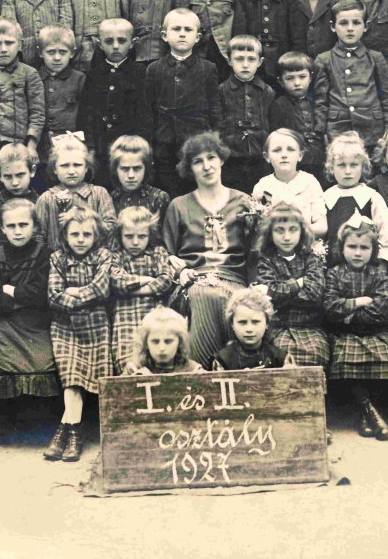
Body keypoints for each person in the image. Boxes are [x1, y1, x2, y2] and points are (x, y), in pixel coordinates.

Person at [162, 131, 256, 369]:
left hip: (234, 279)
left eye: (211, 158)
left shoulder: (244, 202)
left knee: (238, 302)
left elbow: (256, 251)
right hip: (194, 282)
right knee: (204, 294)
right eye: (197, 161)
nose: (206, 166)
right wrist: (179, 273)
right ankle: (201, 372)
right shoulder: (179, 206)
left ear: (221, 159)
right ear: (190, 168)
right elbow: (166, 252)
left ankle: (233, 372)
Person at [0, 198, 59, 446]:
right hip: (6, 323)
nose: (17, 231)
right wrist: (23, 296)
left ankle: (40, 426)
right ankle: (3, 425)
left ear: (35, 226)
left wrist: (11, 291)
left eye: (23, 224)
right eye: (11, 225)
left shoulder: (46, 255)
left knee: (43, 361)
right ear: (2, 228)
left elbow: (42, 295)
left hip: (37, 324)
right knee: (2, 360)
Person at [45, 206, 113, 462]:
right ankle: (75, 434)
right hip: (65, 327)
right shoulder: (57, 258)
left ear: (96, 236)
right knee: (71, 378)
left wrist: (72, 292)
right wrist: (84, 294)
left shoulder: (104, 256)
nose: (81, 240)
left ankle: (66, 430)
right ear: (65, 236)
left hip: (96, 326)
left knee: (95, 379)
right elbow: (53, 296)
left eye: (87, 234)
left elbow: (102, 290)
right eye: (75, 234)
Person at [323, 215, 388, 440]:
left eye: (364, 247)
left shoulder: (379, 275)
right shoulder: (333, 274)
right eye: (352, 246)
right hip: (344, 333)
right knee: (344, 355)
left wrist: (347, 314)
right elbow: (331, 308)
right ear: (342, 247)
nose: (357, 252)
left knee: (382, 355)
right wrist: (360, 301)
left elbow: (379, 312)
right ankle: (369, 412)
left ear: (373, 250)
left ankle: (365, 412)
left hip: (375, 332)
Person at [145, 9, 222, 196]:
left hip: (196, 143)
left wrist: (215, 141)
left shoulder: (208, 68)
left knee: (196, 189)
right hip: (163, 144)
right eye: (176, 29)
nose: (182, 34)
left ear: (197, 37)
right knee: (166, 189)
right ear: (164, 35)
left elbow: (215, 109)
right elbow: (148, 110)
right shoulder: (154, 69)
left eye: (188, 30)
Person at [0, 17, 46, 196]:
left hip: (18, 145)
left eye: (9, 43)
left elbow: (37, 113)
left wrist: (31, 145)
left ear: (20, 44)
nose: (3, 48)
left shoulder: (29, 74)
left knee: (19, 190)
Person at [251, 202, 330, 369]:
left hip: (310, 328)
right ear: (270, 233)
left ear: (301, 231)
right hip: (279, 327)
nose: (286, 237)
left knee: (316, 354)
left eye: (292, 229)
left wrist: (279, 292)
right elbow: (268, 297)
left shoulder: (311, 258)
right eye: (280, 230)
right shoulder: (266, 261)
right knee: (279, 356)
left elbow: (314, 295)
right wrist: (300, 282)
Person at [313, 0, 388, 151]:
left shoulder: (376, 57)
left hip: (372, 131)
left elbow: (387, 97)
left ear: (366, 26)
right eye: (343, 23)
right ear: (333, 26)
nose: (350, 29)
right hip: (338, 130)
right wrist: (322, 131)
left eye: (356, 23)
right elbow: (321, 100)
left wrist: (387, 129)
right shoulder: (324, 60)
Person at [79, 19, 151, 181]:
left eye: (122, 40)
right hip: (101, 149)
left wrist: (140, 146)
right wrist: (90, 146)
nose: (116, 46)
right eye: (109, 41)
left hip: (129, 151)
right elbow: (86, 113)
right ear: (99, 43)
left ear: (132, 43)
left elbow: (145, 114)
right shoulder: (94, 74)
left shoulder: (140, 73)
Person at [109, 206, 175, 373]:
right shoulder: (116, 256)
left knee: (156, 361)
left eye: (142, 236)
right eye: (129, 236)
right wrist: (146, 280)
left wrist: (131, 290)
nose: (136, 242)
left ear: (150, 235)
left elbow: (166, 280)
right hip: (125, 320)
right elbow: (116, 281)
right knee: (127, 365)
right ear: (120, 234)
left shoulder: (157, 253)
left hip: (153, 317)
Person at [32, 132, 116, 252]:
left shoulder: (99, 194)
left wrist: (84, 219)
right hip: (58, 265)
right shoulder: (46, 199)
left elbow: (111, 228)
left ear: (86, 167)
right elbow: (38, 237)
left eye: (77, 165)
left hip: (95, 262)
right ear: (54, 168)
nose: (71, 171)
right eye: (64, 166)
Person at [322, 132, 388, 268]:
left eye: (354, 165)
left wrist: (383, 264)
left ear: (363, 167)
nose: (348, 171)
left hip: (367, 269)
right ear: (332, 167)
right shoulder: (325, 198)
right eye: (342, 165)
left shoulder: (371, 197)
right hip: (333, 270)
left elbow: (387, 232)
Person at [218, 35, 275, 192]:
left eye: (251, 59)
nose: (245, 65)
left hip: (260, 157)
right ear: (229, 61)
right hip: (230, 158)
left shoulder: (267, 91)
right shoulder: (221, 90)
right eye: (239, 59)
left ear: (260, 62)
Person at [253, 129, 327, 238]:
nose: (284, 155)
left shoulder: (310, 183)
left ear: (300, 155)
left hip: (305, 246)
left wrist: (296, 232)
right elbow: (257, 228)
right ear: (266, 156)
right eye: (277, 150)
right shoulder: (262, 186)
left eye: (290, 149)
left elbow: (322, 227)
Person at [36, 26, 86, 178]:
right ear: (40, 52)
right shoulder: (33, 78)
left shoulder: (80, 79)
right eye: (51, 52)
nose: (57, 58)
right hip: (41, 149)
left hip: (69, 152)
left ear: (72, 53)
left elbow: (85, 116)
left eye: (62, 52)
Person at [268, 52, 326, 182]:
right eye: (290, 78)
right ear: (280, 81)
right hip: (295, 163)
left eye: (302, 77)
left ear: (310, 78)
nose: (297, 83)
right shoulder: (279, 105)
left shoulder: (317, 102)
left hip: (319, 159)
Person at [213, 286, 292, 370]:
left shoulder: (281, 359)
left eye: (255, 322)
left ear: (267, 323)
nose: (249, 329)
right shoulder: (222, 360)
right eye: (242, 322)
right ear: (232, 324)